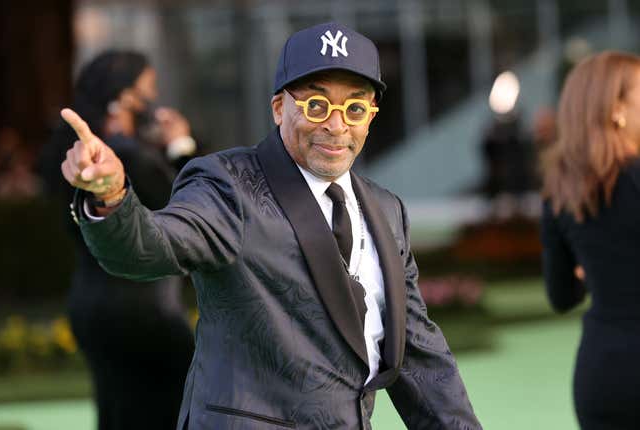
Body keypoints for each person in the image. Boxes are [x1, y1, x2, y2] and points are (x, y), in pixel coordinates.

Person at [59, 23, 481, 429]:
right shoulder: (228, 185)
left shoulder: (388, 211)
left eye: (354, 108)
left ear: (370, 116)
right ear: (280, 108)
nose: (336, 126)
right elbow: (150, 247)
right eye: (316, 106)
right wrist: (112, 196)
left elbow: (420, 357)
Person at [42, 50, 195, 430]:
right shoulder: (125, 155)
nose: (155, 99)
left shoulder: (74, 152)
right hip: (143, 311)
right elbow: (194, 206)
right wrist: (180, 148)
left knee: (117, 413)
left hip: (91, 305)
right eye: (150, 89)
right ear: (127, 96)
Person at [540, 51, 640, 430]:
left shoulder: (559, 192)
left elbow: (561, 296)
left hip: (602, 377)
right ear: (617, 109)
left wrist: (596, 270)